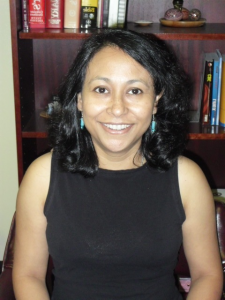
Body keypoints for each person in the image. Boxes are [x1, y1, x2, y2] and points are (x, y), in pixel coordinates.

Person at [12, 29, 223, 300]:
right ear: (79, 99)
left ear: (156, 101)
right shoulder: (42, 176)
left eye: (135, 91)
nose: (118, 108)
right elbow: (27, 275)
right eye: (101, 89)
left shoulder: (187, 178)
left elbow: (208, 275)